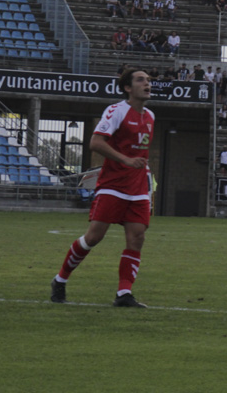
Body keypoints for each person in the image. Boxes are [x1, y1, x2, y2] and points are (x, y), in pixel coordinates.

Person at [50, 69, 155, 308]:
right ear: (128, 88)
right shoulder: (116, 111)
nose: (147, 83)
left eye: (149, 80)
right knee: (94, 237)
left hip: (137, 188)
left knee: (137, 237)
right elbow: (95, 143)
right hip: (113, 185)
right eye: (141, 80)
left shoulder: (150, 116)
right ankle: (60, 279)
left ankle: (124, 294)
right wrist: (126, 160)